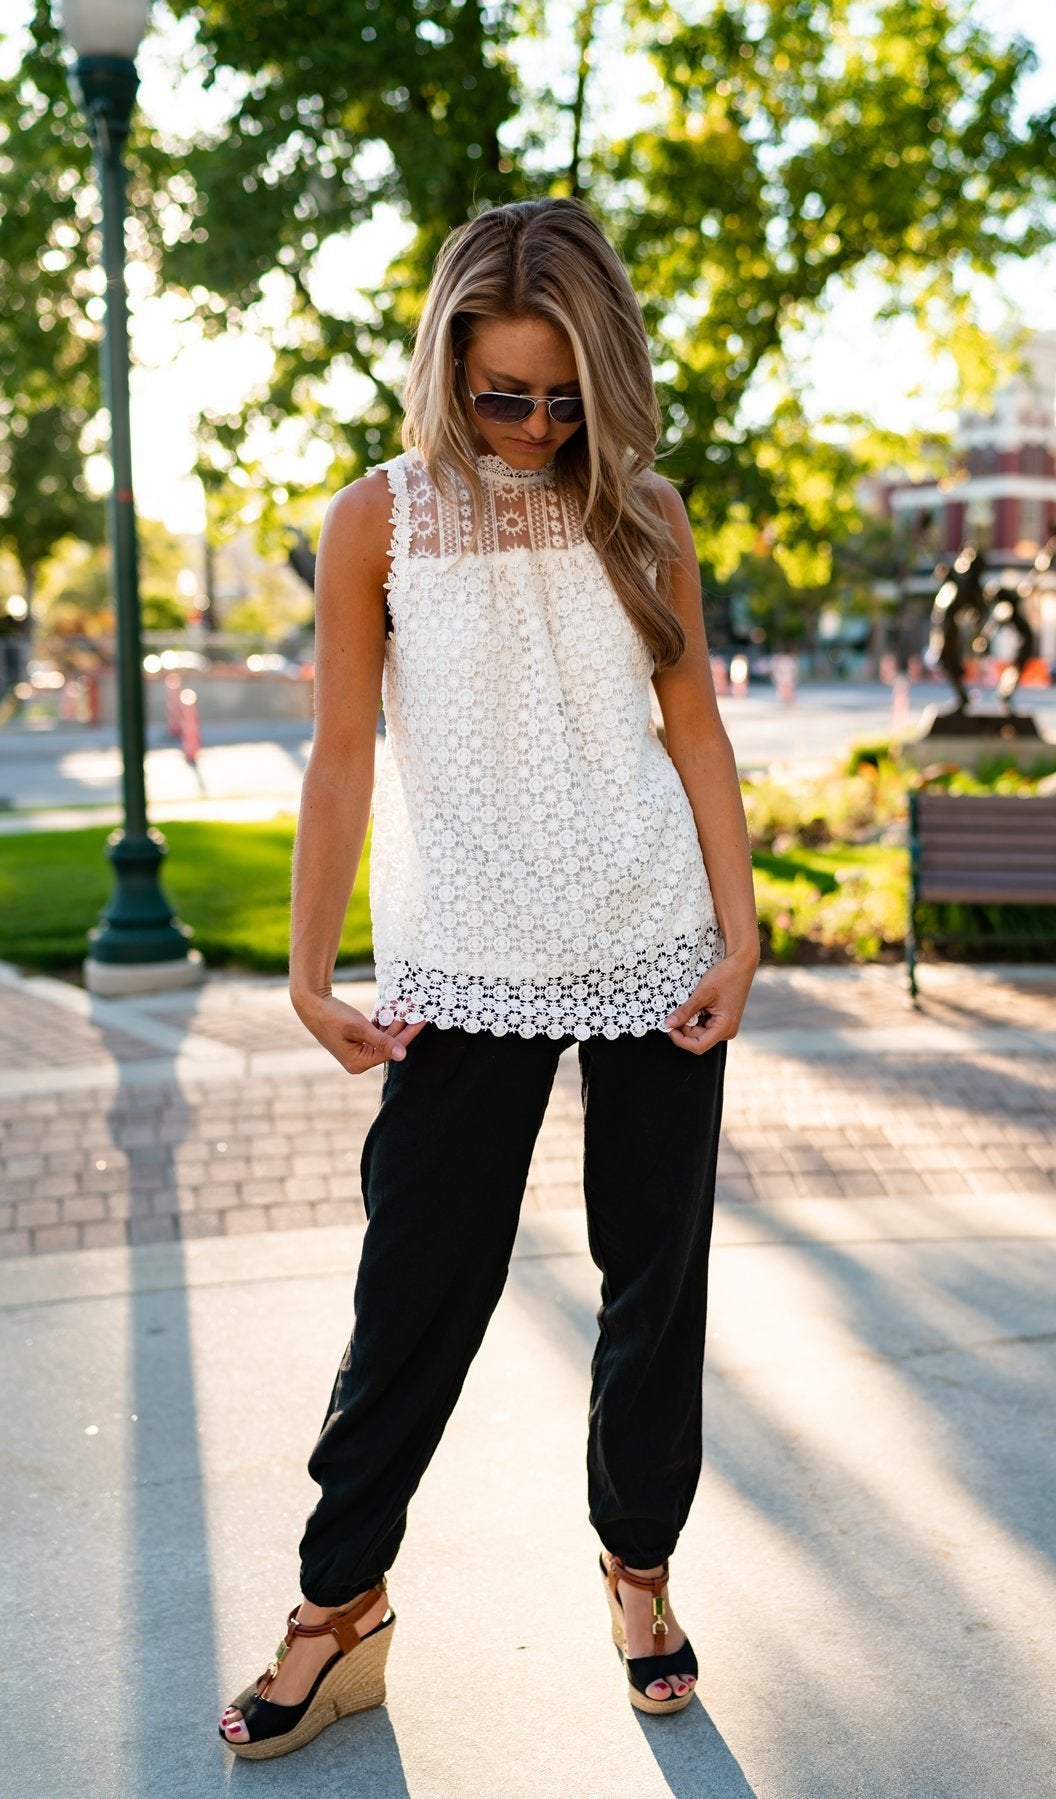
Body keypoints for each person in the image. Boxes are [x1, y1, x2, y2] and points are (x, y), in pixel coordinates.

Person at [218, 196, 758, 1760]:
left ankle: (639, 1573)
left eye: (561, 399)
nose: (528, 427)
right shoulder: (373, 519)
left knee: (655, 1282)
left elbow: (696, 731)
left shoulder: (644, 513)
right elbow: (337, 757)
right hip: (460, 959)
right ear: (446, 366)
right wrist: (313, 971)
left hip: (651, 935)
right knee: (417, 1291)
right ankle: (339, 1609)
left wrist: (740, 931)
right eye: (500, 394)